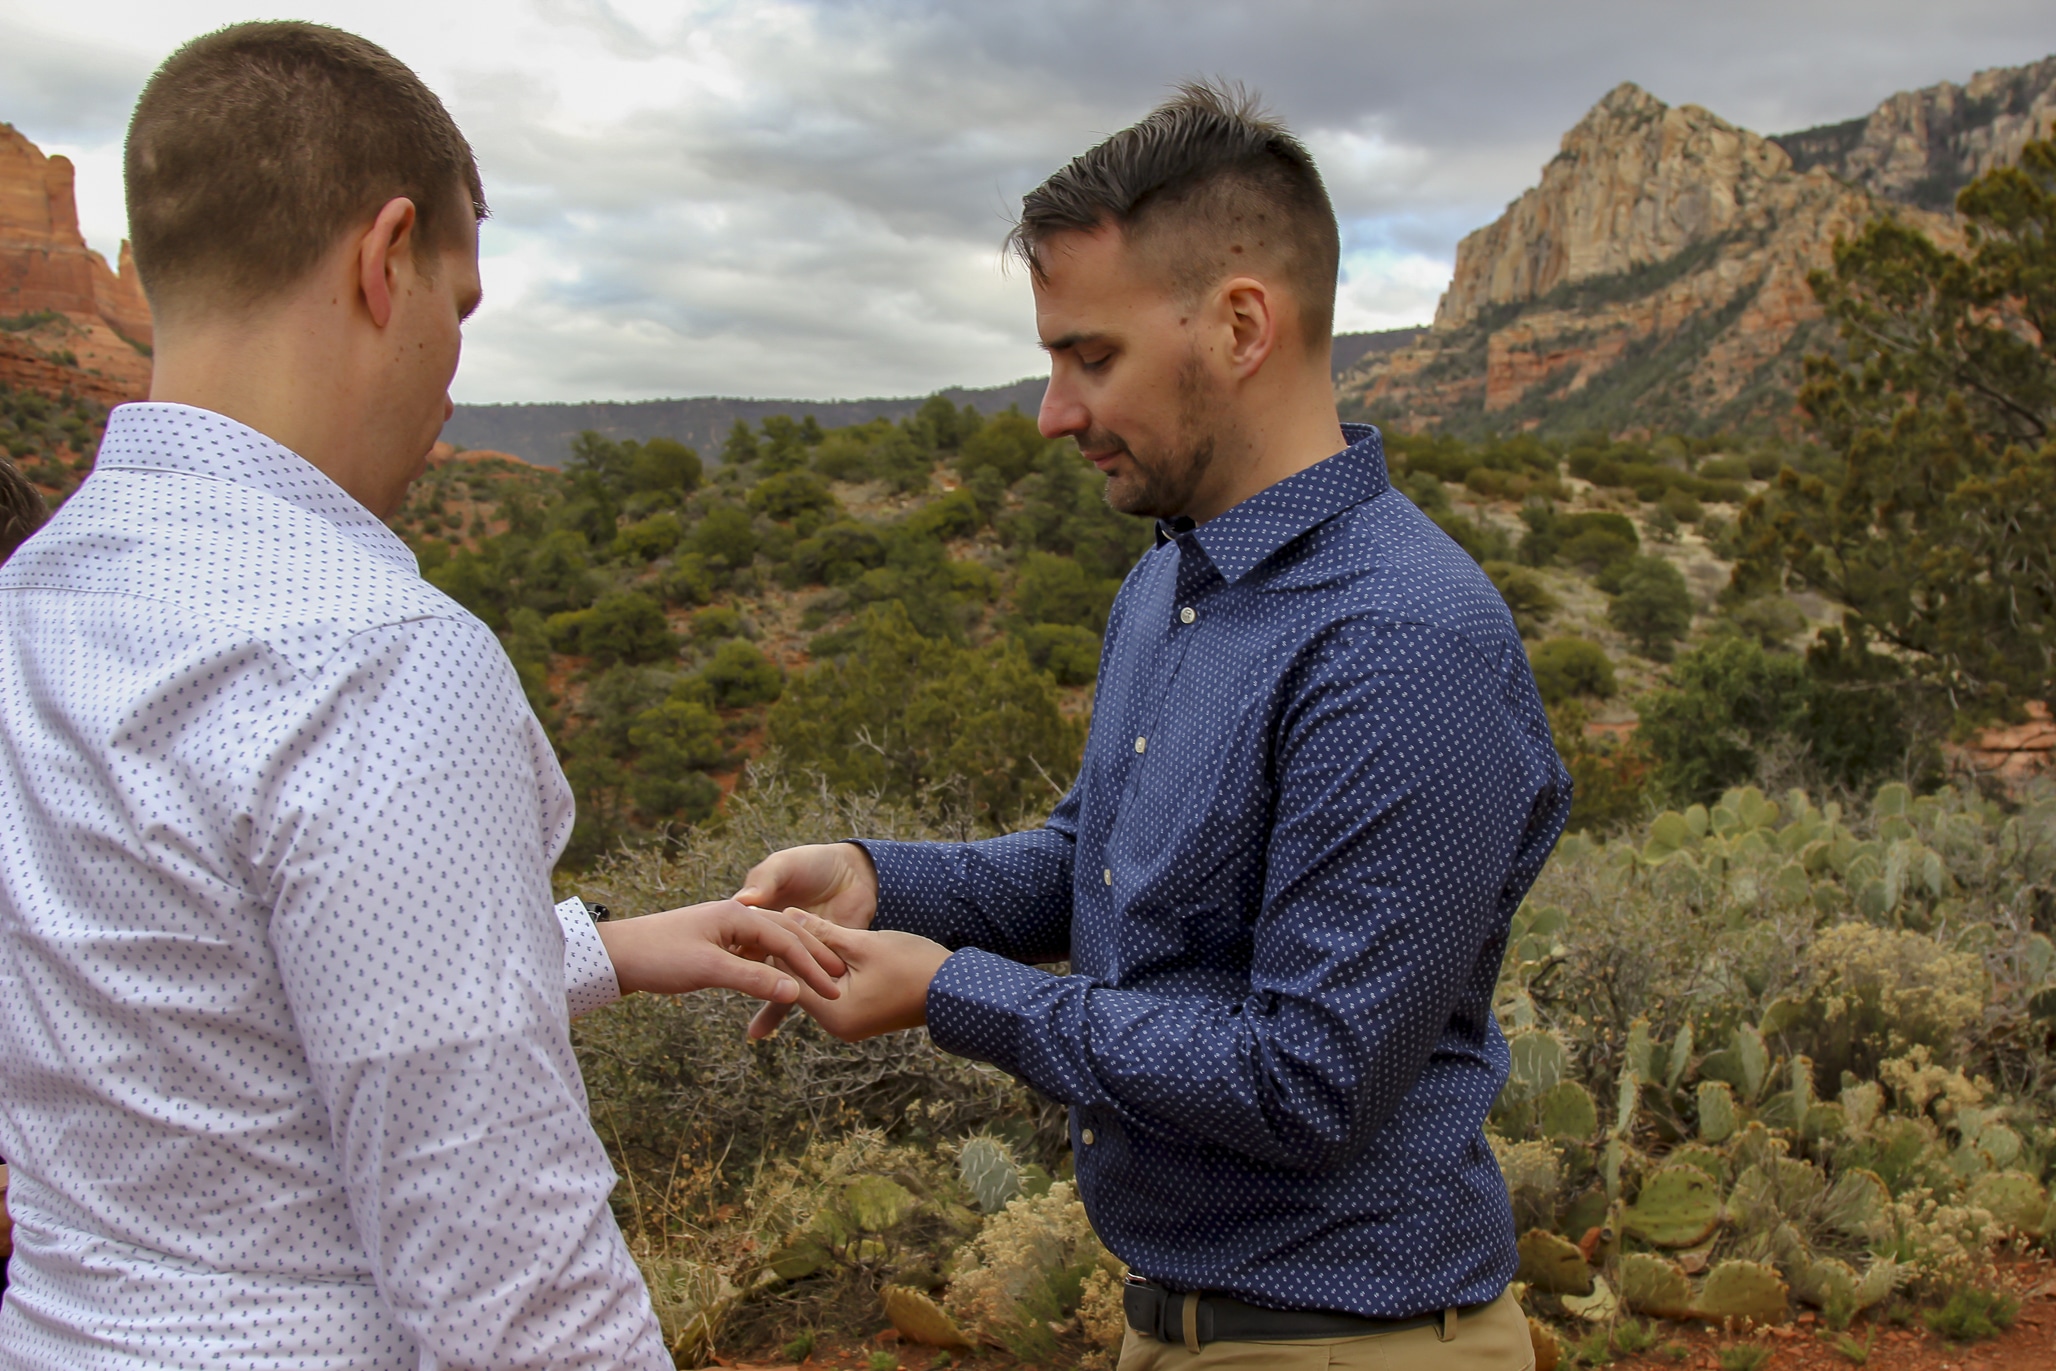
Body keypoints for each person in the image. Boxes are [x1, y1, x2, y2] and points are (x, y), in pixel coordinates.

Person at [0, 23, 842, 1370]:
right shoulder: (369, 655)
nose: (452, 385)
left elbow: (174, 992)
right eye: (457, 305)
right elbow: (518, 1300)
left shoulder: (39, 597)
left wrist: (597, 950)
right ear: (385, 259)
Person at [740, 82, 1570, 1370]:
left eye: (1092, 356)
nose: (1053, 413)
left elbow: (1308, 1080)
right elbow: (1099, 868)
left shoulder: (1399, 638)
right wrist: (880, 880)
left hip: (1359, 1344)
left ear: (1243, 324)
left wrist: (955, 994)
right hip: (1179, 1330)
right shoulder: (1171, 587)